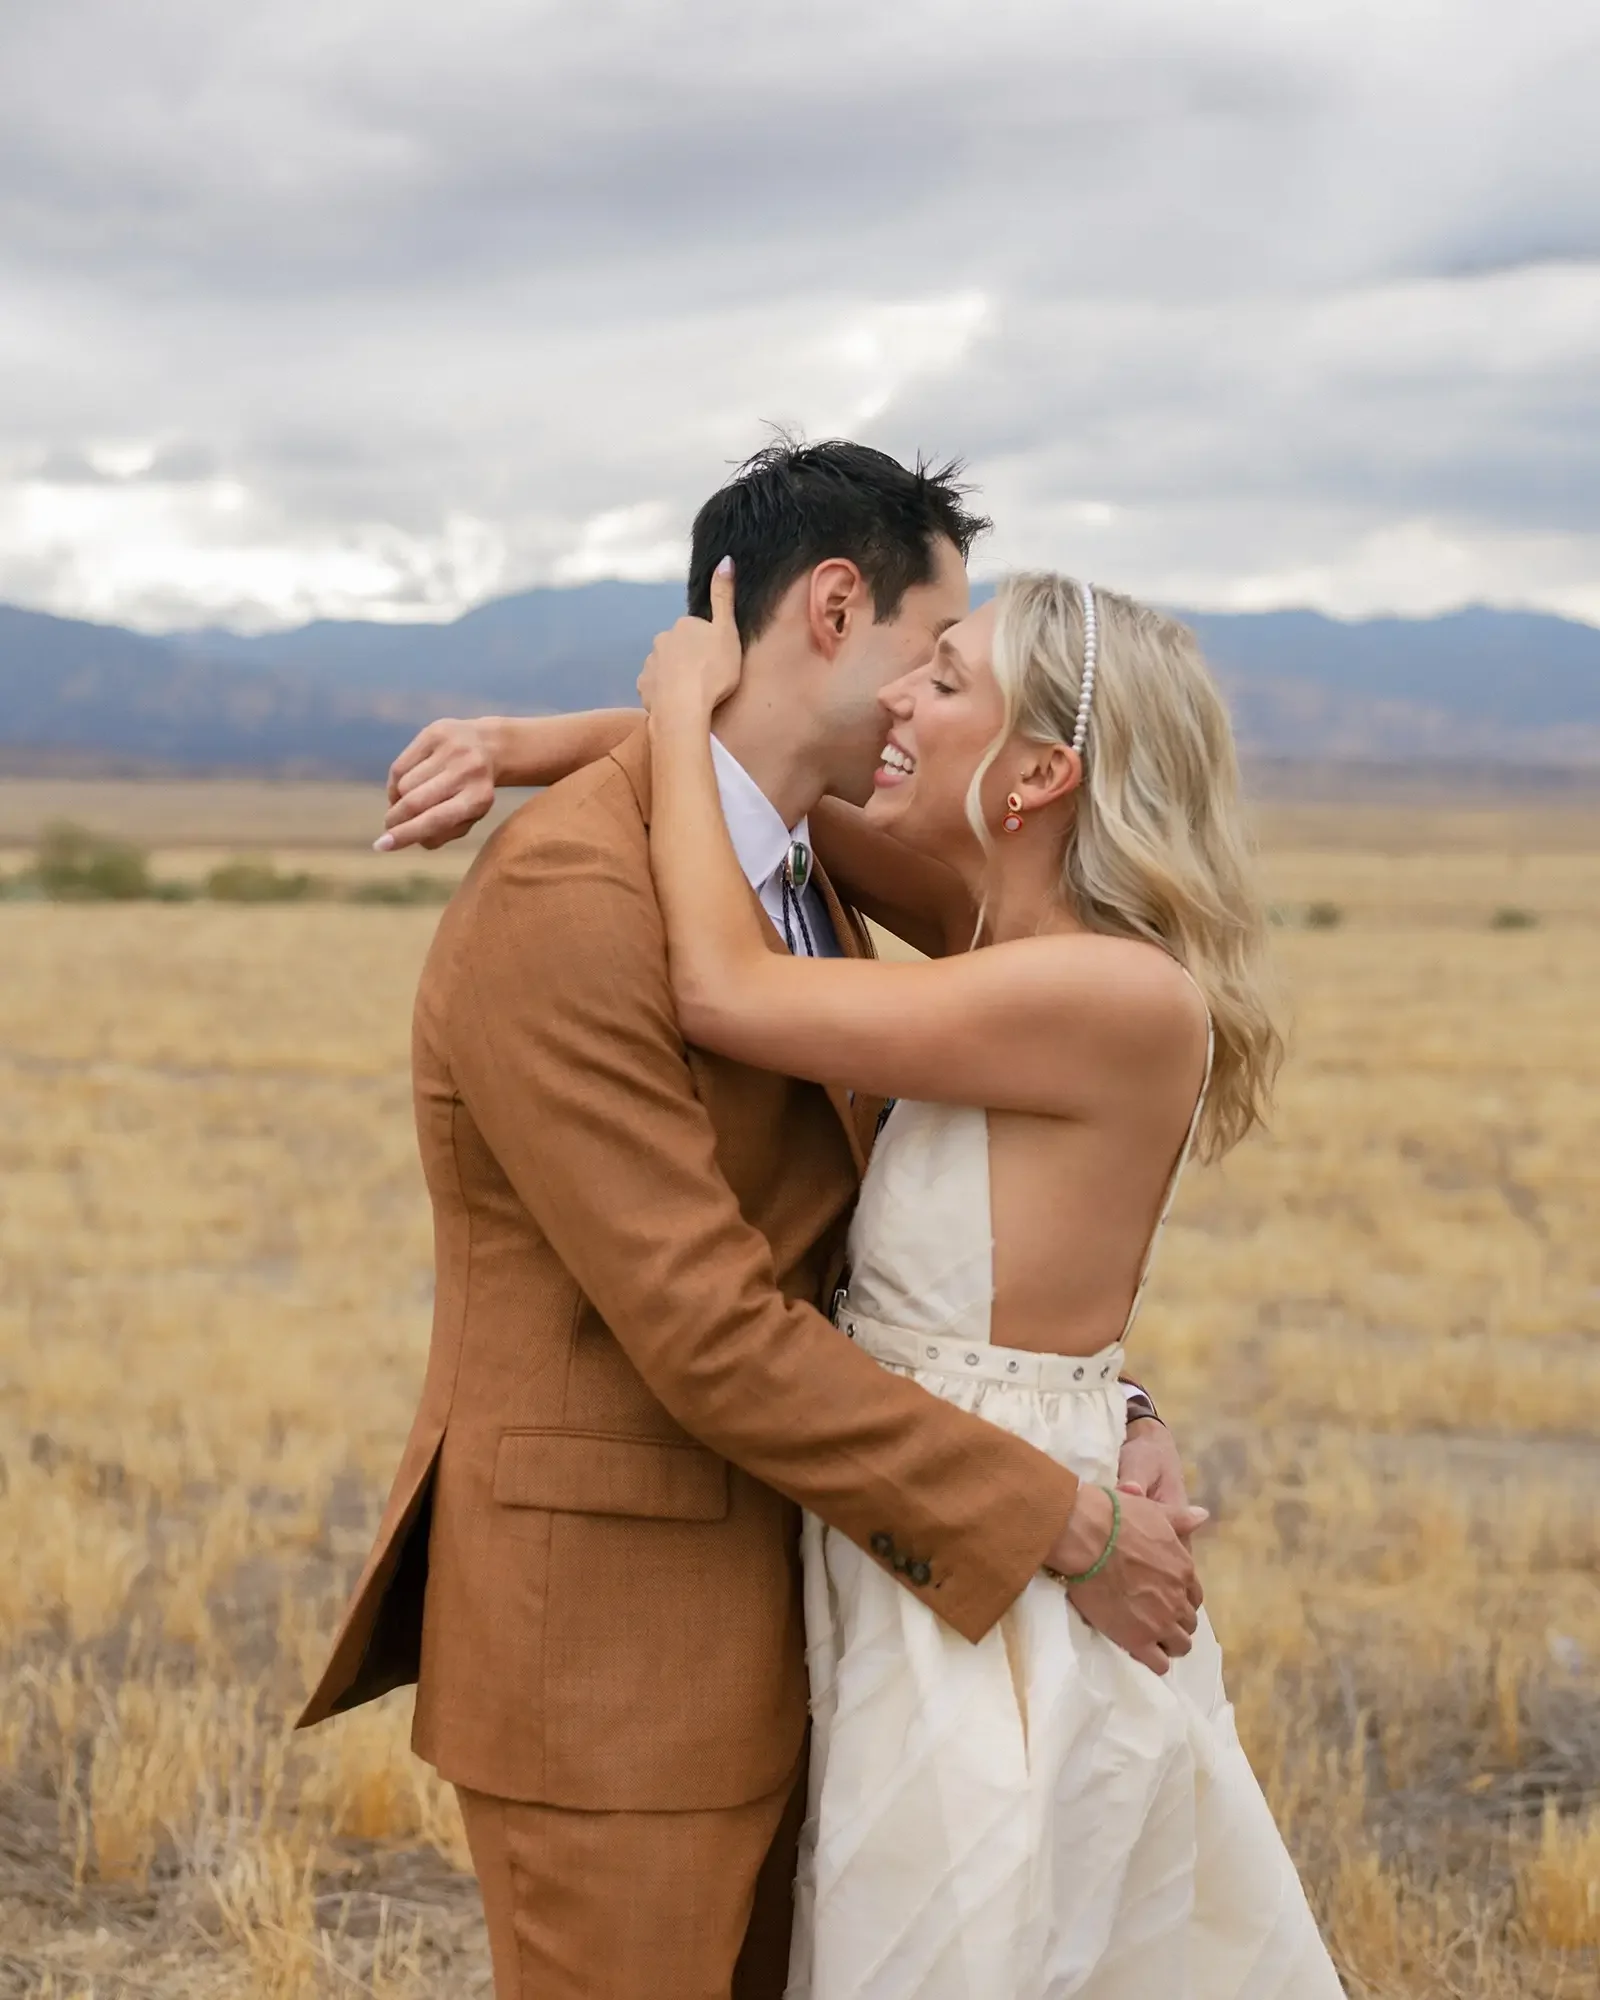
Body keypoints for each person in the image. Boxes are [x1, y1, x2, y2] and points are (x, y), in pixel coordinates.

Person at [299, 441, 1206, 2000]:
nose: (928, 702)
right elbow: (707, 1328)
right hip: (618, 1660)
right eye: (933, 654)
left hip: (829, 1624)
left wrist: (1099, 1399)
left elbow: (883, 1257)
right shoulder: (577, 898)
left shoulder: (798, 871)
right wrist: (1053, 1520)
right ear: (837, 611)